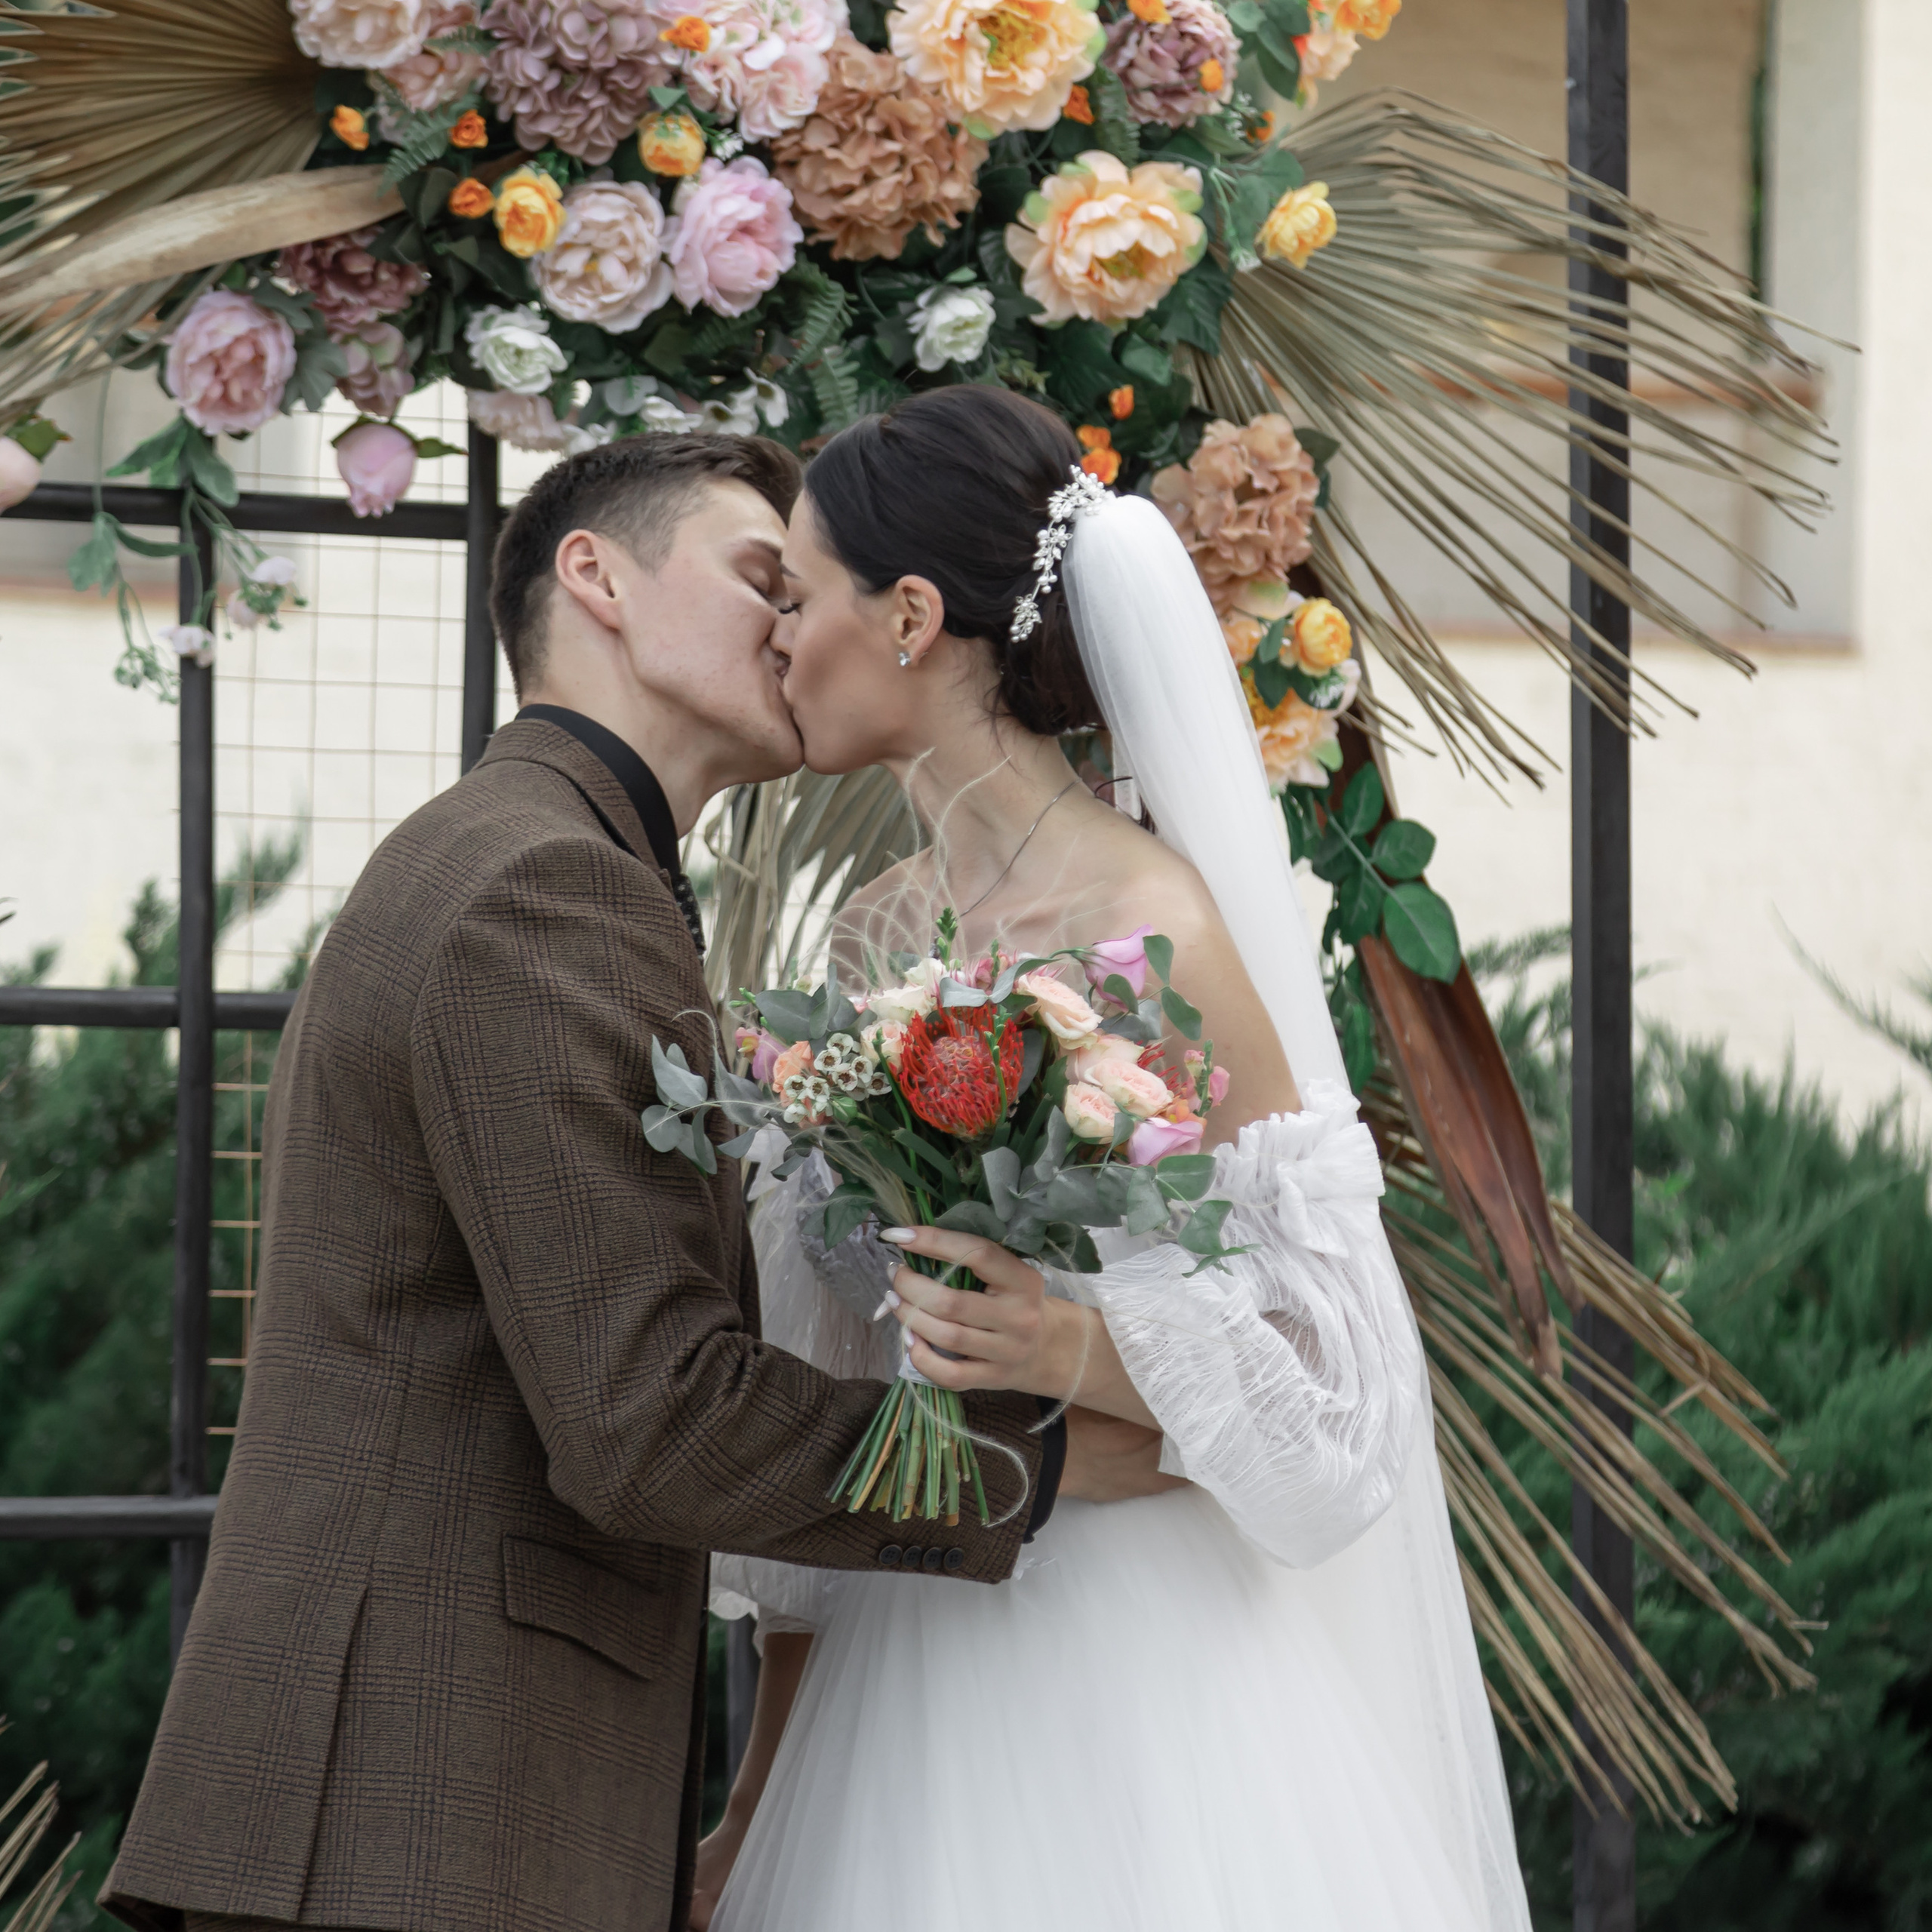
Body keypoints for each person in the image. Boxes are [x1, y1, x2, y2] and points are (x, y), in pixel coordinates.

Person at [100, 432, 1172, 1932]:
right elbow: (647, 1416)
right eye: (758, 579)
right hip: (409, 1822)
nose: (795, 625)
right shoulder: (541, 881)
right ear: (591, 578)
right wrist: (1040, 1464)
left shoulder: (551, 856)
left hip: (422, 1815)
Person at [697, 388, 1534, 1932]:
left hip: (1147, 1687)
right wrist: (753, 1800)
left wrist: (1073, 1340)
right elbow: (831, 1382)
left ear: (904, 616)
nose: (771, 640)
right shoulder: (873, 936)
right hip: (899, 1665)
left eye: (795, 596)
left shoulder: (1162, 925)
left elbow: (1346, 1391)